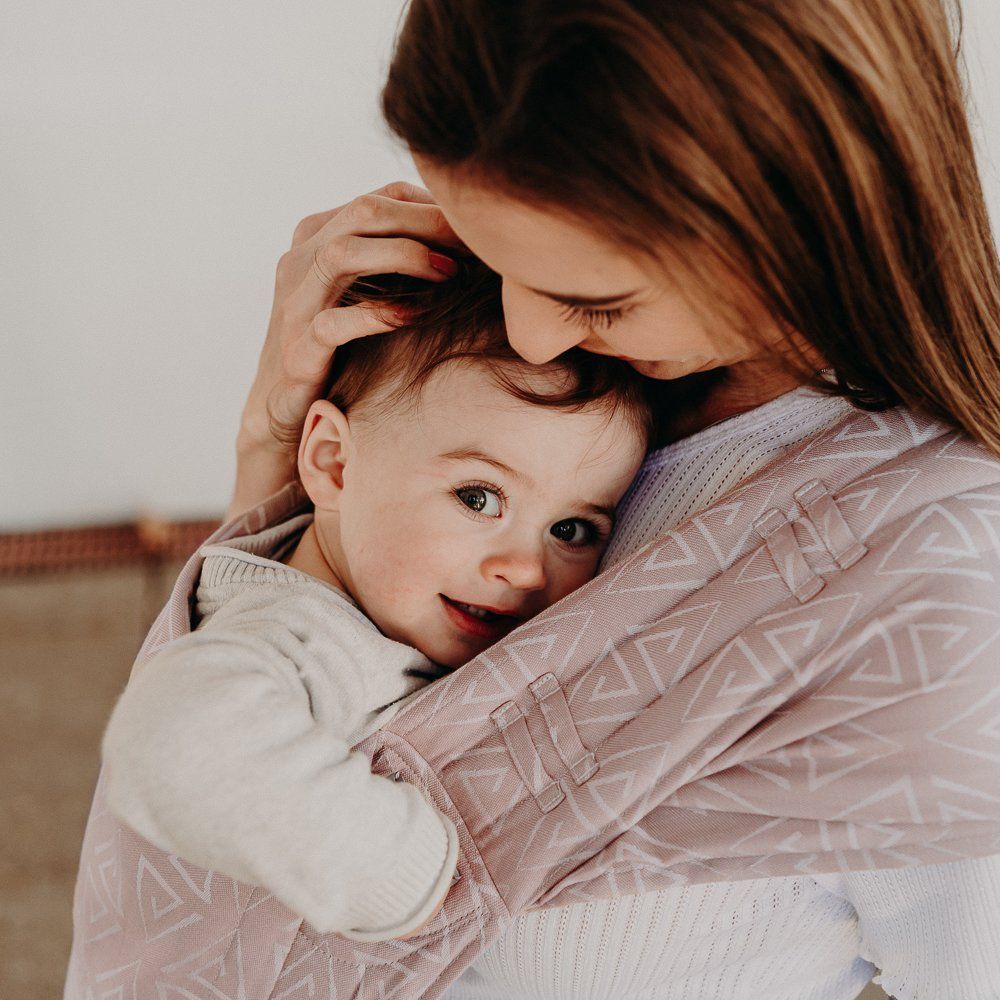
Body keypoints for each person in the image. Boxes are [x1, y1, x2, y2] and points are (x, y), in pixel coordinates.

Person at [65, 1, 1000, 997]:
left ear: (795, 215)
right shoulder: (534, 391)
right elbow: (238, 771)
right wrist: (277, 465)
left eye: (596, 301)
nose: (532, 335)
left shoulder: (936, 600)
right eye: (485, 251)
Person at [99, 268, 651, 943]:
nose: (526, 568)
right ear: (332, 463)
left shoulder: (376, 603)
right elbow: (172, 738)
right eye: (478, 497)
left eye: (572, 530)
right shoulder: (306, 639)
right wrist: (403, 875)